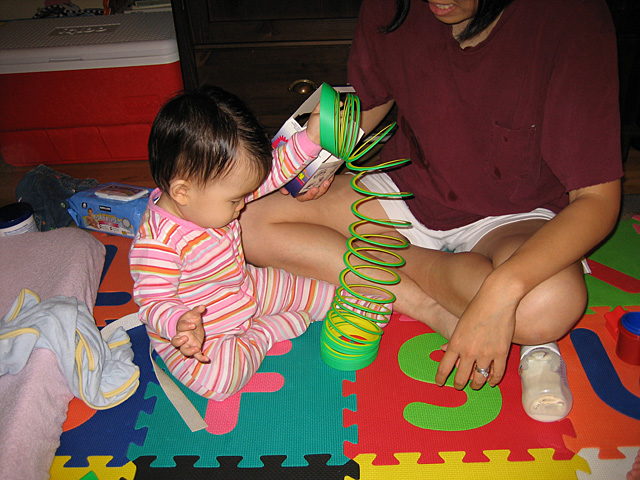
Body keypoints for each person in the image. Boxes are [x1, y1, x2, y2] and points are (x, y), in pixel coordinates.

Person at [239, 0, 623, 422]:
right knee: (247, 223)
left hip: (515, 215)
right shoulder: (393, 6)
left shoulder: (570, 15)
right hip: (405, 188)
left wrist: (500, 292)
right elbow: (367, 102)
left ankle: (388, 264)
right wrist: (312, 164)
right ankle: (436, 309)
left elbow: (597, 200)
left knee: (548, 304)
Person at [129, 85, 340, 401]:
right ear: (182, 192)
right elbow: (153, 301)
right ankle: (265, 333)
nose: (244, 205)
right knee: (219, 383)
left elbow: (273, 172)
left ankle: (285, 313)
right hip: (204, 327)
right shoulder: (157, 243)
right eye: (235, 199)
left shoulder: (208, 192)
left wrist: (310, 139)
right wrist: (179, 323)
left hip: (246, 286)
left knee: (329, 296)